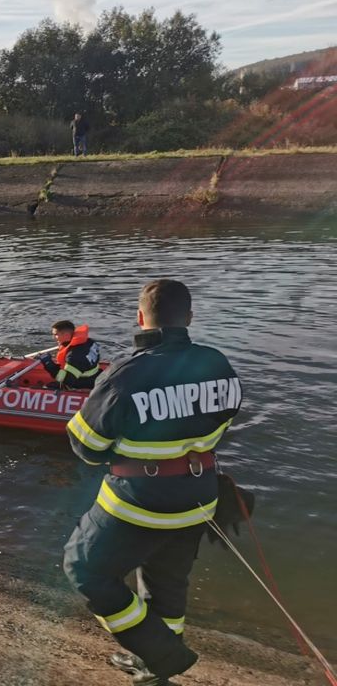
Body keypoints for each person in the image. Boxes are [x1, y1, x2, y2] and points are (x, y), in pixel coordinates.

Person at [63, 279, 242, 686]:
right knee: (167, 583)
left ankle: (162, 654)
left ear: (141, 318)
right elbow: (226, 418)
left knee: (84, 569)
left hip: (137, 501)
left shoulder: (128, 373)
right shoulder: (218, 362)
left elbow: (85, 445)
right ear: (189, 318)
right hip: (199, 497)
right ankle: (153, 668)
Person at [38, 320, 101, 390]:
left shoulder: (74, 356)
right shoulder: (89, 341)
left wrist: (49, 364)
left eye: (56, 334)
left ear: (66, 335)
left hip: (83, 383)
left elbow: (67, 380)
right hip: (95, 375)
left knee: (46, 388)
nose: (54, 337)